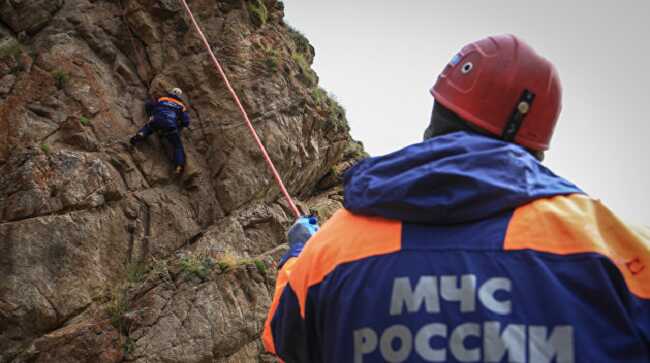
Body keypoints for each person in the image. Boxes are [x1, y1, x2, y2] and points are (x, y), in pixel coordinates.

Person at [263, 35, 650, 363]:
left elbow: (284, 338)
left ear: (437, 112)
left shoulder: (333, 250)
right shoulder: (610, 245)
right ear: (536, 143)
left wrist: (298, 254)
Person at [130, 88, 191, 175]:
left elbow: (148, 105)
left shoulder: (162, 99)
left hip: (157, 120)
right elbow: (186, 122)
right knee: (177, 146)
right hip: (170, 126)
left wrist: (151, 115)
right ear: (179, 96)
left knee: (149, 127)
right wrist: (178, 125)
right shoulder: (181, 106)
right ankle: (178, 166)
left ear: (171, 92)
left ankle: (141, 134)